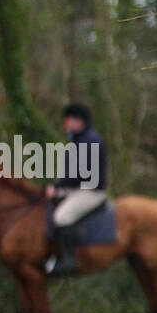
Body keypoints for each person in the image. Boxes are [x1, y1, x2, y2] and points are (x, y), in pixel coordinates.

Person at [44, 102, 108, 275]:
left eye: (69, 119)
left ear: (79, 121)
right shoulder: (77, 140)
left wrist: (57, 186)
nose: (65, 123)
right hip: (76, 189)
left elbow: (80, 172)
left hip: (91, 191)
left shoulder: (91, 140)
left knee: (62, 217)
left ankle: (68, 261)